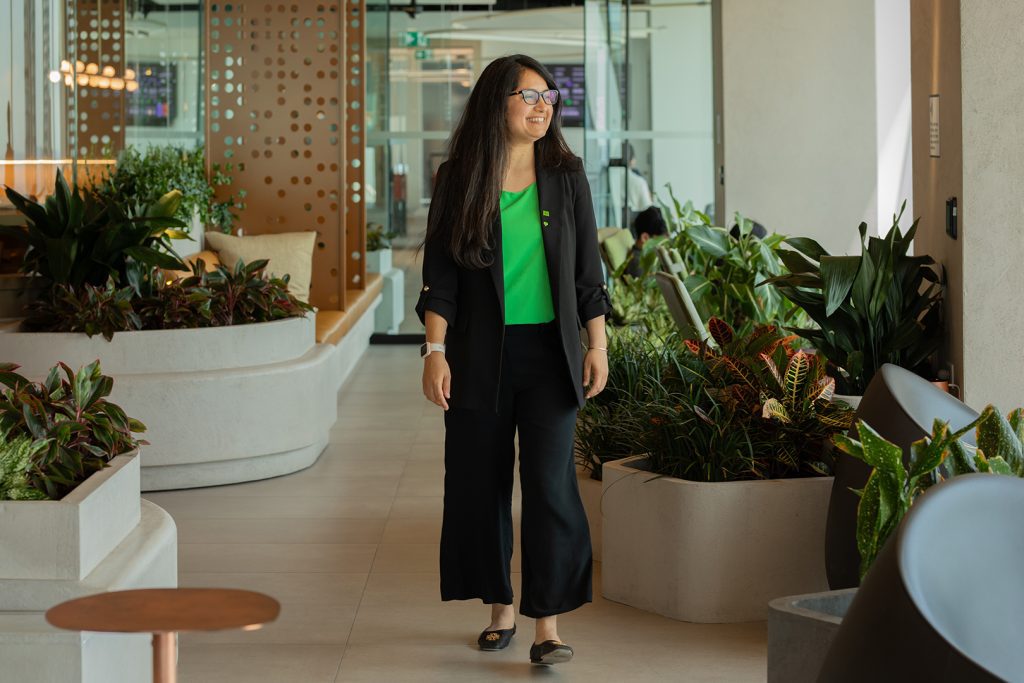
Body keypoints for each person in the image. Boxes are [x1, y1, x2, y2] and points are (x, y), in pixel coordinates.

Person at [416, 54, 611, 667]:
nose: (542, 106)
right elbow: (440, 276)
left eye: (548, 97)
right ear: (496, 102)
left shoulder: (566, 174)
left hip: (551, 356)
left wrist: (597, 342)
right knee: (481, 484)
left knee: (551, 486)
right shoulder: (458, 178)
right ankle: (500, 608)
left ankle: (546, 624)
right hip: (478, 355)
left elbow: (588, 272)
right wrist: (435, 350)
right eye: (529, 95)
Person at [623, 205, 669, 278]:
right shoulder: (638, 264)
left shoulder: (644, 258)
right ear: (645, 238)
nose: (663, 246)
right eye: (660, 242)